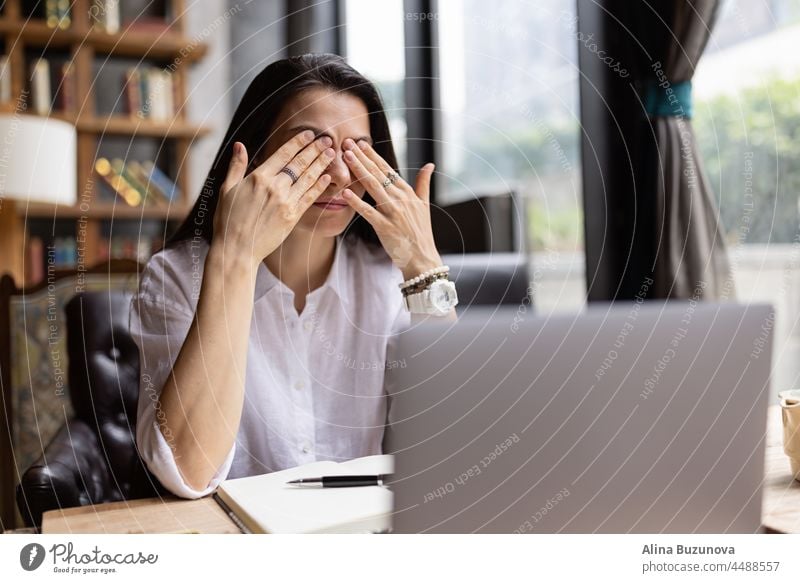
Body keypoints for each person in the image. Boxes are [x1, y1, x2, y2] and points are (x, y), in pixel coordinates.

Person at [129, 53, 458, 499]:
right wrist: (236, 255)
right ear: (255, 153)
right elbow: (186, 472)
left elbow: (458, 443)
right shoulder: (173, 278)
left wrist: (424, 267)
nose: (341, 175)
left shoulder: (386, 279)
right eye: (310, 149)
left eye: (358, 152)